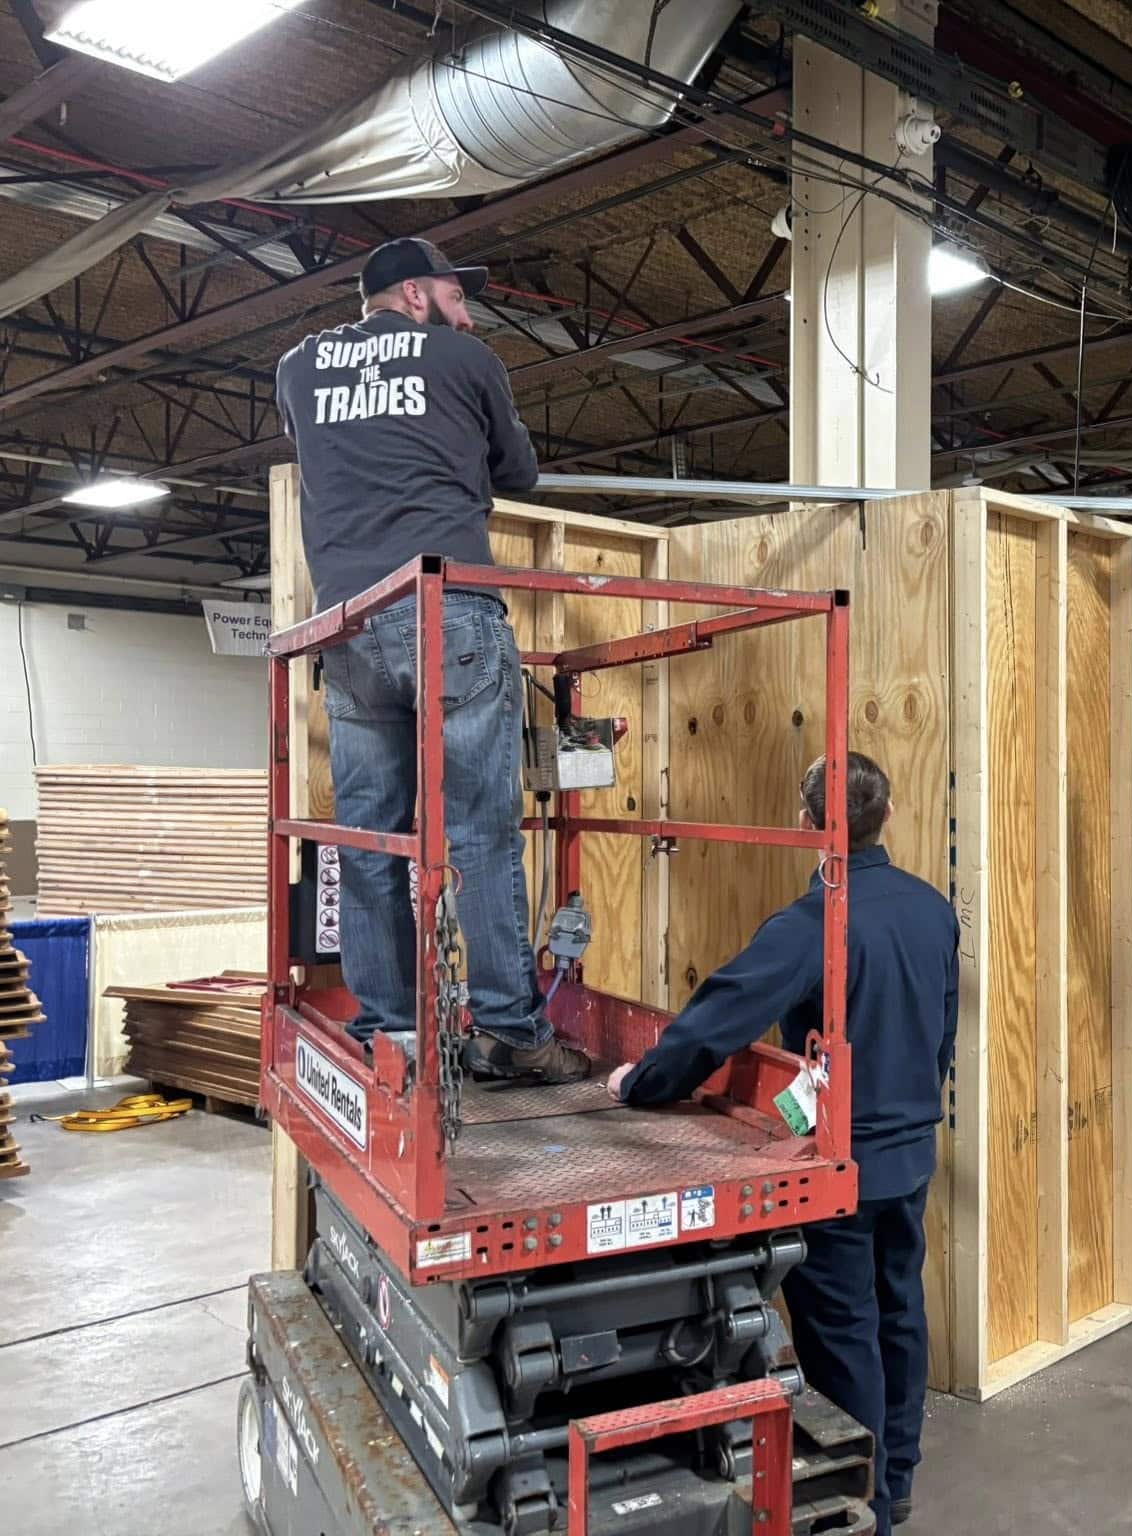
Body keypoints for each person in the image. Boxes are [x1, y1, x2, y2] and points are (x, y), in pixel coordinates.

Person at [607, 752, 957, 1534]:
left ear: (806, 826)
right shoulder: (934, 910)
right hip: (911, 1157)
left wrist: (640, 1082)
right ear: (888, 816)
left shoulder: (812, 927)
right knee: (902, 1313)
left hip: (841, 1171)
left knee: (845, 1335)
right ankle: (898, 1477)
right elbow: (943, 1038)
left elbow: (717, 1020)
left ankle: (865, 1506)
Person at [275, 236, 589, 1085]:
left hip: (348, 624)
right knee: (483, 831)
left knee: (374, 836)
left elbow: (332, 454)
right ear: (414, 296)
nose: (469, 312)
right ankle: (512, 1033)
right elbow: (517, 472)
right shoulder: (464, 358)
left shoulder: (297, 367)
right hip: (445, 609)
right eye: (457, 296)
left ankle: (392, 1036)